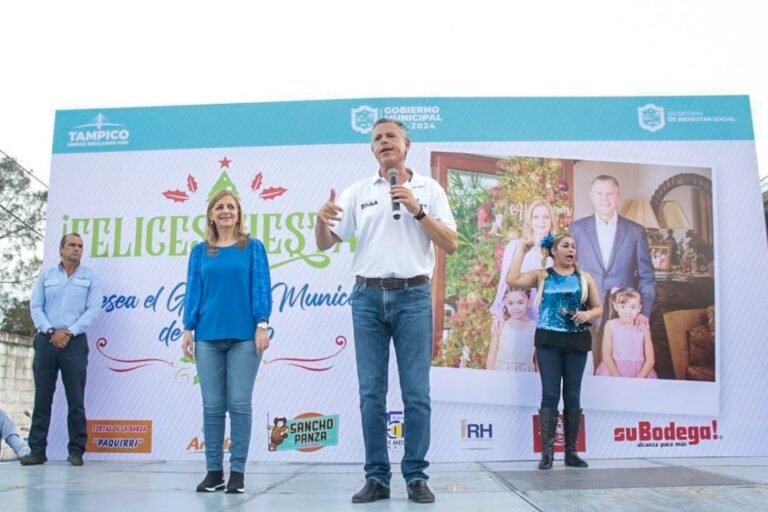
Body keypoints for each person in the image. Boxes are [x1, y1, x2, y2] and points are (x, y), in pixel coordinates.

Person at [314, 118, 457, 504]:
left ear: (407, 144)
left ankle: (416, 476)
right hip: (368, 299)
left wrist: (418, 210)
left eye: (390, 136)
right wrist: (320, 221)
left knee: (416, 393)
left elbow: (452, 243)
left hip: (413, 297)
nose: (383, 142)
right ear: (372, 150)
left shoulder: (429, 188)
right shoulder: (358, 191)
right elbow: (326, 243)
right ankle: (376, 477)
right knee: (371, 394)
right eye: (376, 139)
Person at [181, 189, 272, 494]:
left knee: (239, 405)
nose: (225, 211)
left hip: (245, 337)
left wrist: (262, 324)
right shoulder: (200, 251)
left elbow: (261, 287)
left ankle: (237, 473)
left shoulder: (252, 248)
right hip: (207, 337)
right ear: (210, 214)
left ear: (239, 213)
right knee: (212, 407)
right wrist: (187, 328)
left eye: (231, 206)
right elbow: (193, 291)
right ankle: (213, 472)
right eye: (219, 207)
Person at [506, 233, 603, 470]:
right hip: (548, 341)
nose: (571, 249)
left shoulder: (585, 278)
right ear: (553, 252)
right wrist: (522, 250)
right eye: (565, 245)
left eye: (573, 245)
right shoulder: (542, 276)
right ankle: (547, 453)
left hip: (576, 342)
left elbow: (599, 307)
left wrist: (588, 314)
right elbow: (513, 279)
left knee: (572, 396)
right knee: (549, 395)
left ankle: (571, 452)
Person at [23, 233, 102, 466]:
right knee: (42, 399)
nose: (76, 249)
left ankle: (76, 450)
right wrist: (50, 331)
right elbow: (36, 306)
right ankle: (37, 451)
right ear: (61, 249)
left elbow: (93, 310)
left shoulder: (91, 278)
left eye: (80, 246)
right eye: (72, 245)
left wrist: (69, 332)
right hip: (47, 340)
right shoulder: (46, 276)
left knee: (75, 399)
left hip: (74, 342)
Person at [569, 175, 655, 369]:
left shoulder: (635, 231)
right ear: (591, 195)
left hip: (624, 313)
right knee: (587, 368)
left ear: (618, 196)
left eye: (610, 193)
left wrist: (645, 312)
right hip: (586, 310)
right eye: (600, 193)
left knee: (619, 368)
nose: (604, 198)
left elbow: (647, 276)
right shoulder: (577, 228)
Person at [490, 199, 555, 322]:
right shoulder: (515, 246)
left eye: (546, 217)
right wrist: (498, 313)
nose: (541, 221)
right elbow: (505, 282)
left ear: (551, 221)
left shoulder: (558, 250)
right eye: (536, 217)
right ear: (530, 220)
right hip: (522, 311)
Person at [596, 287, 658, 378]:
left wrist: (638, 379)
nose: (628, 311)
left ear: (639, 308)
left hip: (639, 372)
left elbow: (650, 360)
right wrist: (617, 377)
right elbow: (606, 356)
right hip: (613, 371)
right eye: (623, 306)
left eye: (633, 307)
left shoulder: (643, 328)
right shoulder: (610, 326)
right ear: (615, 306)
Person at [486, 288, 537, 372]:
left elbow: (538, 359)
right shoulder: (500, 325)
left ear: (529, 302)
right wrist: (490, 376)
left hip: (526, 374)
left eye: (520, 303)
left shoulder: (535, 327)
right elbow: (492, 354)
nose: (515, 307)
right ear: (505, 304)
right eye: (510, 303)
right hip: (502, 373)